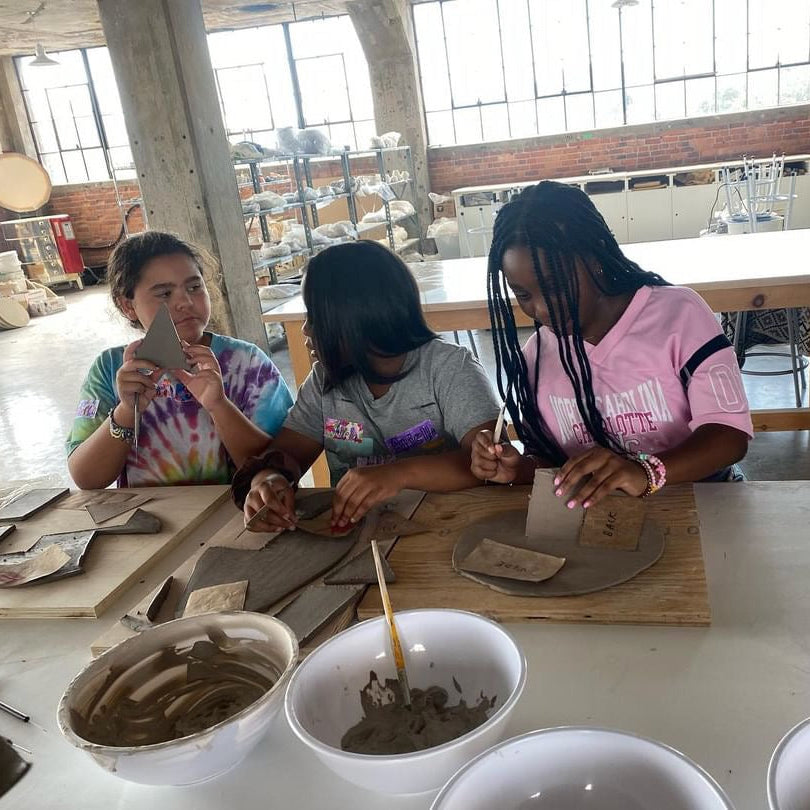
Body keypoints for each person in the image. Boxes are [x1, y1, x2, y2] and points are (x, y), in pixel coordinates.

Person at [471, 181, 752, 508]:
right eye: (523, 295)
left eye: (556, 286)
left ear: (596, 256)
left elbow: (728, 436)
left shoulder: (678, 315)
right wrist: (517, 468)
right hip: (604, 519)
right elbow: (548, 461)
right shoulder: (535, 358)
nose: (542, 309)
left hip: (704, 501)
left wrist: (644, 472)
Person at [234, 241, 500, 532]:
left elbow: (487, 465)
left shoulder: (448, 369)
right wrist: (269, 480)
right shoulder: (325, 381)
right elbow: (288, 454)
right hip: (358, 534)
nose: (306, 330)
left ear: (357, 320)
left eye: (315, 317)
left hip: (448, 525)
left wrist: (398, 474)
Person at [67, 231, 292, 488]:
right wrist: (127, 411)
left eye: (194, 287)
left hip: (237, 517)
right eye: (164, 294)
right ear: (127, 306)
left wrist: (219, 405)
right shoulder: (110, 369)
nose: (185, 302)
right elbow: (87, 478)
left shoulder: (247, 364)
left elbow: (279, 470)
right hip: (150, 523)